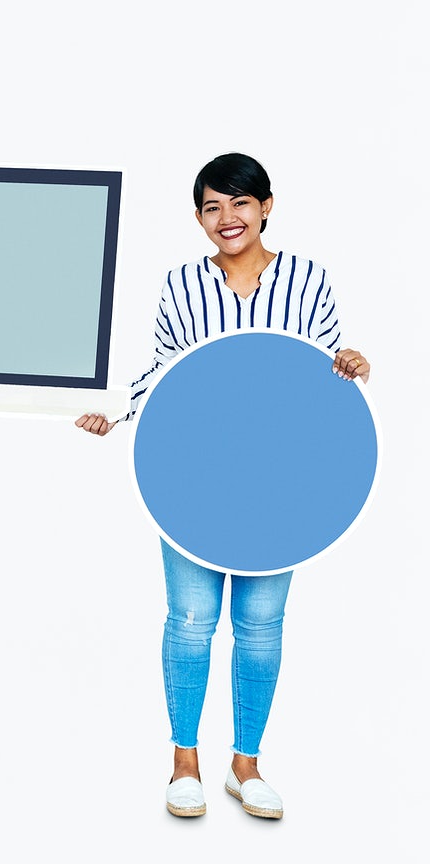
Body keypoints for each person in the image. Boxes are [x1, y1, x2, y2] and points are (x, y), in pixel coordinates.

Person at [75, 153, 371, 820]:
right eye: (212, 207)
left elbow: (317, 366)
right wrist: (118, 415)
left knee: (261, 624)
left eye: (240, 203)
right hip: (192, 472)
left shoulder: (307, 278)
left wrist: (348, 362)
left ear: (266, 206)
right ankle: (185, 763)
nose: (226, 218)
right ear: (199, 218)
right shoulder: (181, 285)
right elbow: (163, 370)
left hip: (283, 478)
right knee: (189, 620)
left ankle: (247, 765)